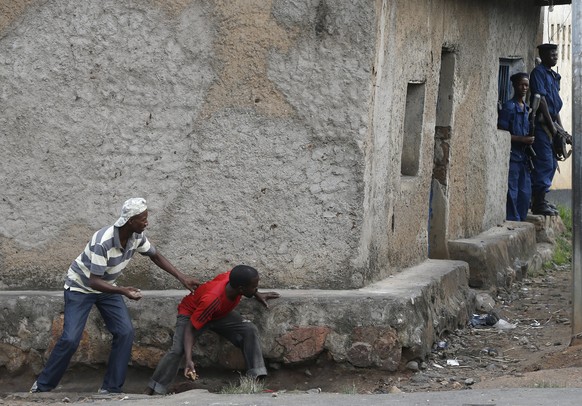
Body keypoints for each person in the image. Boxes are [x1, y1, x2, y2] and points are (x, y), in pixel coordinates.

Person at [30, 197, 201, 394]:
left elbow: (155, 255)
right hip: (81, 288)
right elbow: (93, 281)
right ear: (130, 221)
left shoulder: (136, 237)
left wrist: (182, 277)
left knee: (125, 332)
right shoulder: (103, 241)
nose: (147, 222)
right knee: (70, 339)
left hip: (107, 288)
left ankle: (111, 389)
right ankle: (42, 387)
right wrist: (123, 291)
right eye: (143, 219)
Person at [145, 265, 279, 396]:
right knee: (178, 350)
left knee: (249, 329)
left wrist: (257, 294)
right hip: (192, 314)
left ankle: (255, 379)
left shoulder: (232, 279)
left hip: (218, 314)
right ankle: (155, 388)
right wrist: (189, 360)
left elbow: (247, 287)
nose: (256, 288)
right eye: (254, 287)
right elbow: (190, 328)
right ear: (241, 289)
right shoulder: (213, 299)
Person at [529, 43, 563, 216]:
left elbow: (555, 107)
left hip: (551, 124)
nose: (555, 57)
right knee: (544, 163)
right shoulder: (538, 73)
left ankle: (542, 200)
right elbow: (542, 102)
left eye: (556, 54)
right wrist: (552, 127)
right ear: (542, 55)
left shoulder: (553, 76)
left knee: (552, 163)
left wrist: (561, 132)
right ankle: (537, 203)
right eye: (551, 54)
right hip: (542, 125)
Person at [498, 72, 534, 221]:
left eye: (526, 85)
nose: (524, 88)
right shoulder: (508, 107)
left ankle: (521, 220)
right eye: (521, 84)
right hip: (512, 156)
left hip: (525, 159)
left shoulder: (528, 109)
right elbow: (502, 134)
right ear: (514, 85)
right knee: (512, 192)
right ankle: (513, 221)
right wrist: (522, 140)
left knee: (525, 193)